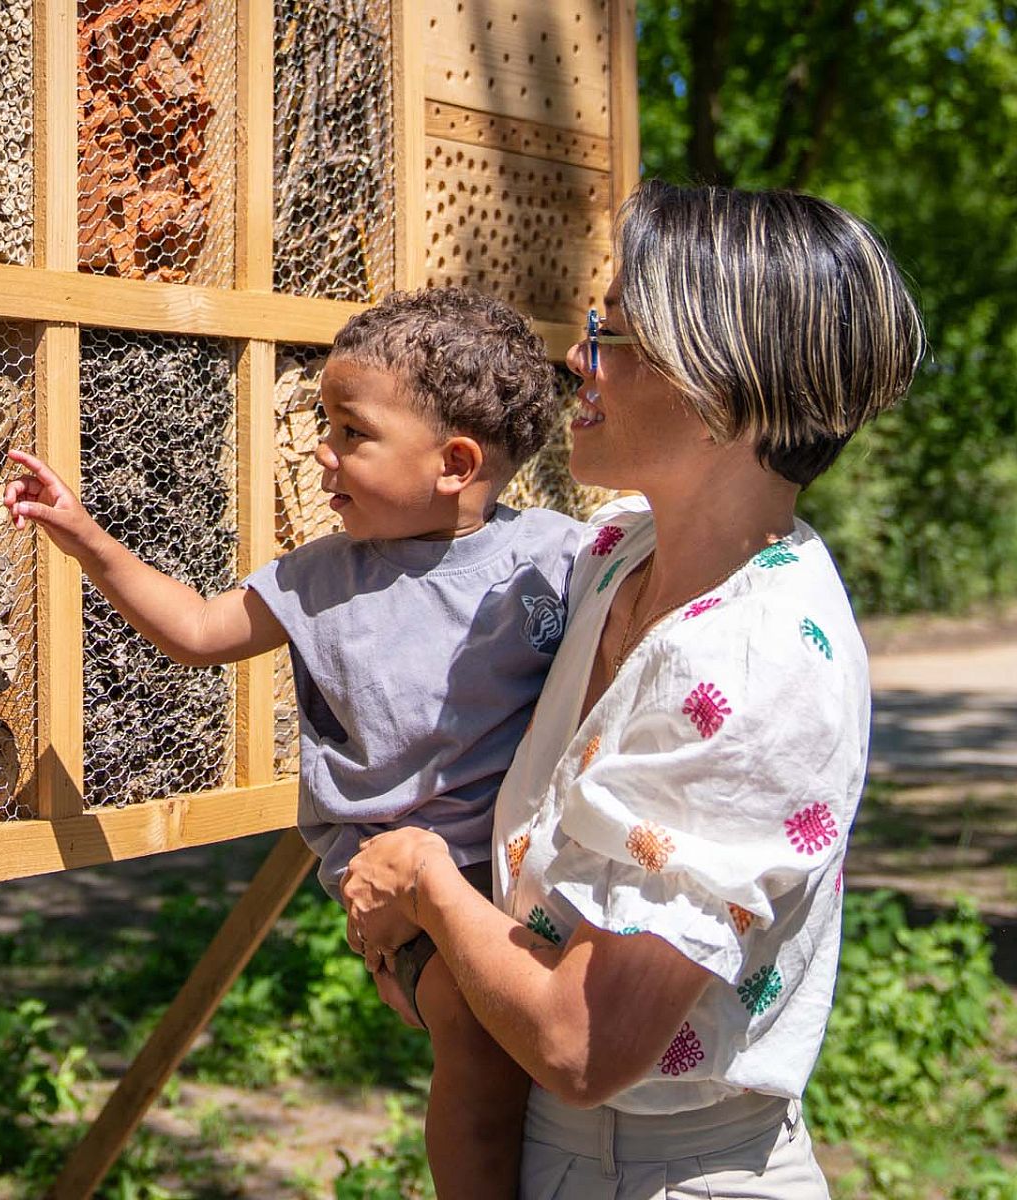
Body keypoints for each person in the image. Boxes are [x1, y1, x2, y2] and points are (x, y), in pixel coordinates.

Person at [341, 181, 924, 1197]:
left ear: (719, 389)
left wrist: (430, 889)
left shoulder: (753, 667)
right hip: (558, 1151)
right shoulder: (618, 549)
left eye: (615, 334)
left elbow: (584, 1046)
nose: (578, 356)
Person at [3, 289, 582, 1197]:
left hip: (533, 871)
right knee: (477, 1044)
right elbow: (196, 629)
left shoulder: (558, 557)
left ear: (455, 463)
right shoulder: (321, 578)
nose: (322, 452)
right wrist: (83, 538)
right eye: (328, 425)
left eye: (353, 433)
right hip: (411, 895)